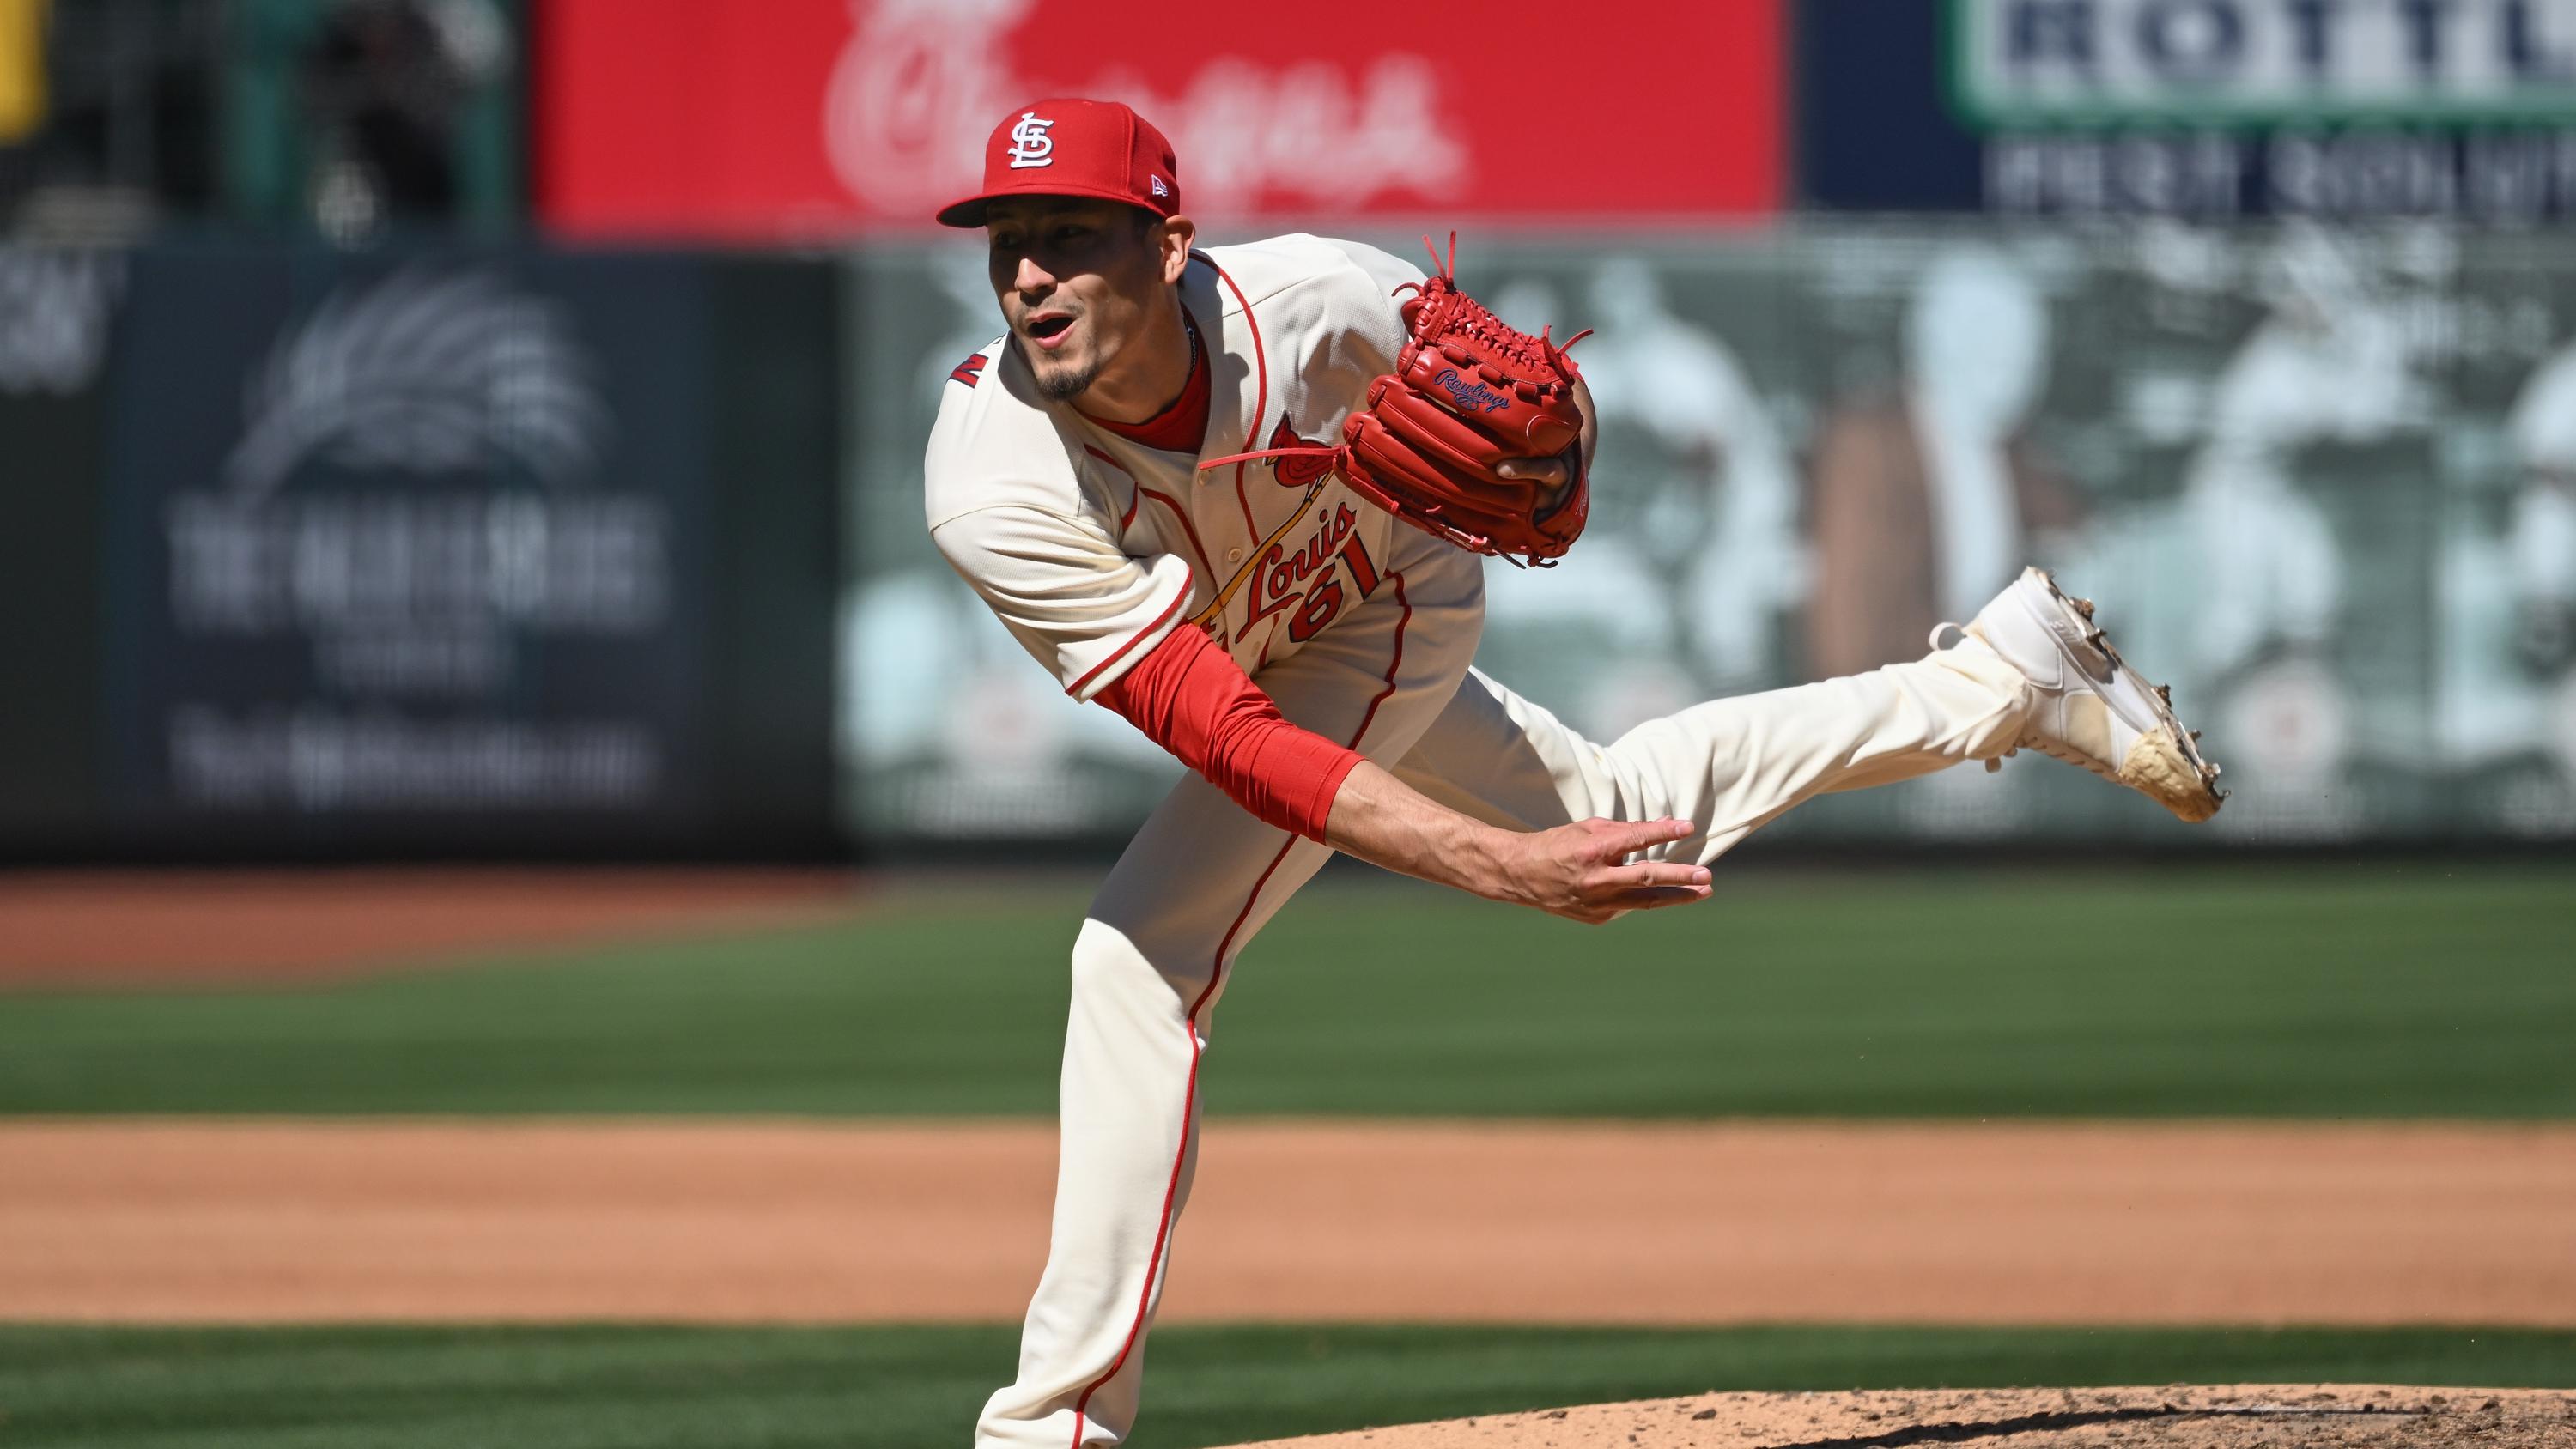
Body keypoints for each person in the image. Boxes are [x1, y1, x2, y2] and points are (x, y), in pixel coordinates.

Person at [924, 99, 2222, 1448]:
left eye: (1071, 236)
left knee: (1141, 952)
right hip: (1258, 667)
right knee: (1605, 819)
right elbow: (1234, 737)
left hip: (1385, 597)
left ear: (1172, 245)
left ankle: (1051, 1428)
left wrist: (1566, 450)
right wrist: (1496, 861)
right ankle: (2003, 679)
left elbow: (1537, 400)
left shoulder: (1319, 297)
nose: (1029, 275)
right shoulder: (993, 484)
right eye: (1006, 241)